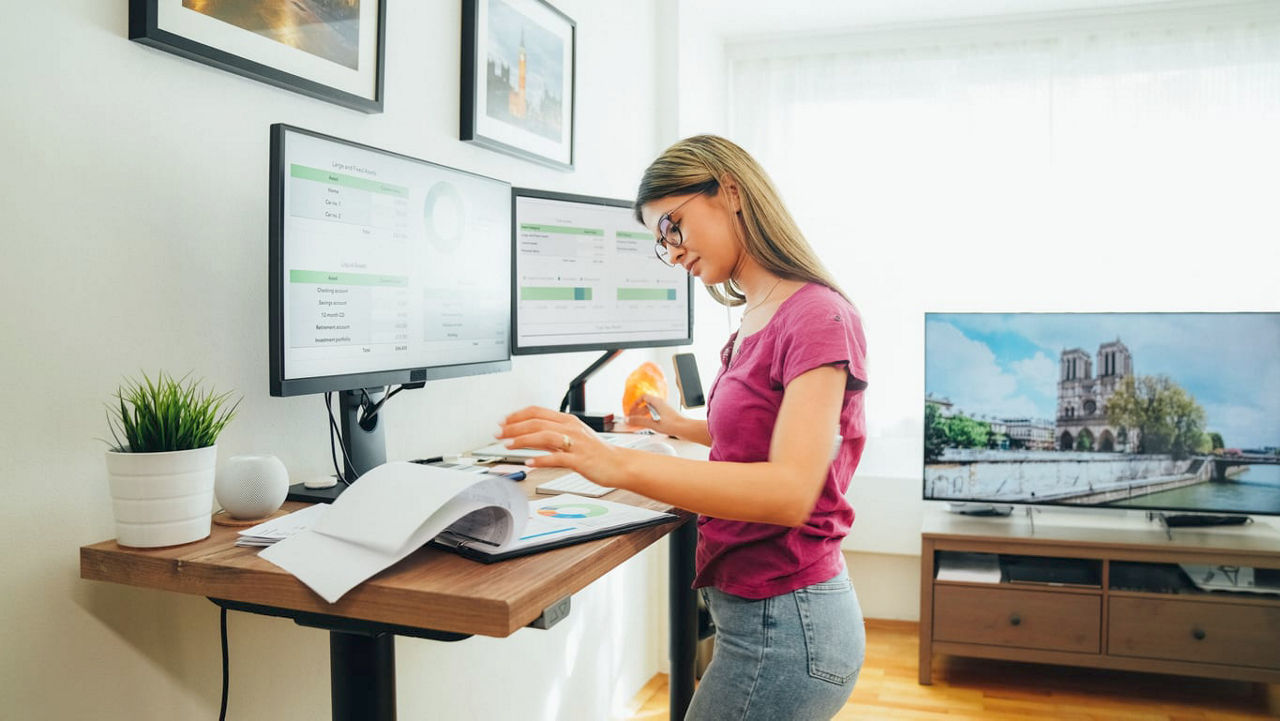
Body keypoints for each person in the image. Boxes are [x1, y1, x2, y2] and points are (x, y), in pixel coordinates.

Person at [496, 135, 867, 720]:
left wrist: (614, 462)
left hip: (788, 626)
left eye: (672, 226)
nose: (670, 251)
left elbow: (790, 491)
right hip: (761, 616)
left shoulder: (818, 316)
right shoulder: (757, 315)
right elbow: (758, 439)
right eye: (659, 242)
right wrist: (681, 427)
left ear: (732, 191)